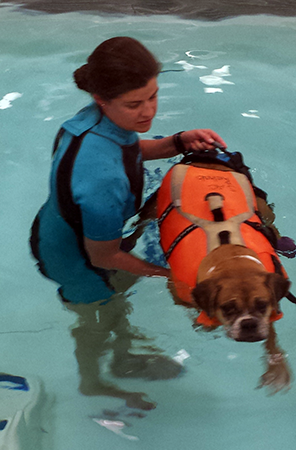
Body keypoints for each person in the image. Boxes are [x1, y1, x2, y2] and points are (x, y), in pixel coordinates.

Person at [29, 37, 226, 410]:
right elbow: (103, 258)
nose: (147, 111)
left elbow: (129, 150)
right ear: (102, 99)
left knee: (119, 294)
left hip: (57, 225)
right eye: (134, 104)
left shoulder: (90, 123)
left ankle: (122, 353)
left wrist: (179, 142)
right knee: (99, 317)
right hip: (75, 261)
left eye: (153, 96)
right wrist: (172, 275)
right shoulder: (101, 180)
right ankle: (93, 380)